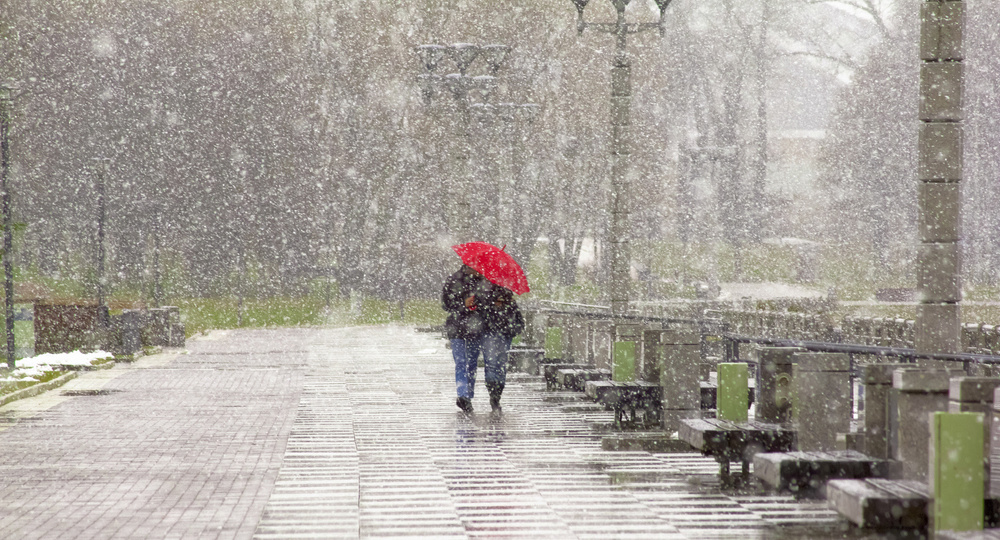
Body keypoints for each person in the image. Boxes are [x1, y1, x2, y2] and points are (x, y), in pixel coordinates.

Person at [442, 264, 524, 414]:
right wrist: (463, 304)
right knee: (465, 363)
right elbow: (446, 304)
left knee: (480, 363)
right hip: (460, 329)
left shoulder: (491, 280)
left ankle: (482, 396)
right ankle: (464, 396)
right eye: (475, 268)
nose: (478, 271)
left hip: (480, 329)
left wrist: (497, 301)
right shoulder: (455, 280)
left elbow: (496, 303)